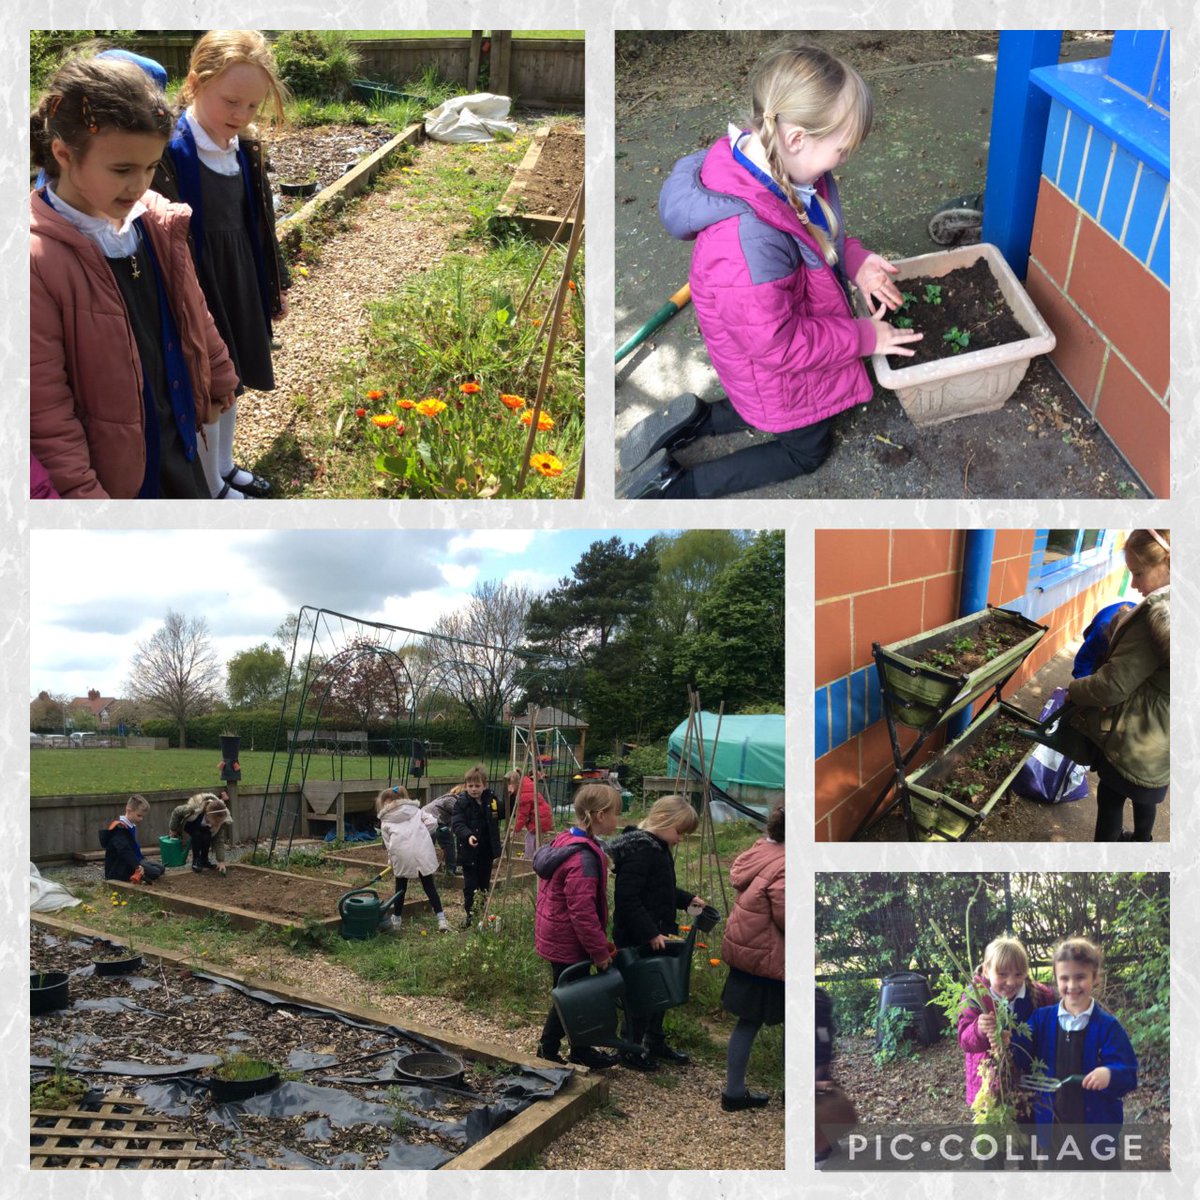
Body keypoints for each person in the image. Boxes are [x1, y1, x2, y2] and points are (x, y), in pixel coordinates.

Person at [624, 44, 921, 499]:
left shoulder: (780, 164)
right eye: (841, 151)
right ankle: (679, 485)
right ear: (798, 137)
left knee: (763, 402)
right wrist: (865, 337)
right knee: (806, 450)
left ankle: (702, 420)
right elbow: (778, 347)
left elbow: (815, 232)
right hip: (777, 364)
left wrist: (856, 261)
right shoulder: (749, 240)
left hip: (762, 360)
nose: (843, 162)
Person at [30, 54, 239, 498]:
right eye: (122, 170)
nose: (139, 185)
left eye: (150, 168)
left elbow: (193, 310)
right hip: (115, 474)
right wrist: (81, 493)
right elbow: (45, 408)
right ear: (64, 153)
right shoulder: (35, 261)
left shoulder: (155, 223)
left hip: (177, 438)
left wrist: (219, 372)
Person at [152, 29, 290, 499]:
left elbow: (262, 223)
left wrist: (276, 281)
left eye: (253, 106)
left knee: (234, 379)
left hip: (240, 278)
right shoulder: (169, 153)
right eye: (231, 101)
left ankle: (226, 467)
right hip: (199, 287)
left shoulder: (244, 150)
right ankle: (210, 488)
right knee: (208, 390)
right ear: (195, 83)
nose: (241, 115)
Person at [1067, 529, 1170, 842]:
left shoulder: (1155, 614)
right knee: (1145, 794)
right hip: (1164, 736)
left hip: (1137, 737)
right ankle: (1142, 840)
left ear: (1168, 563)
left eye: (1138, 574)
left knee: (1111, 799)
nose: (1135, 585)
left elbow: (1112, 686)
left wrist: (1074, 690)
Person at [608, 795, 704, 1070]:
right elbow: (628, 899)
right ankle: (631, 1047)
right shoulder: (641, 850)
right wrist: (650, 933)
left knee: (659, 989)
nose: (681, 839)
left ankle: (655, 1041)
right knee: (640, 994)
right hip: (637, 938)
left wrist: (686, 900)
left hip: (659, 933)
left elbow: (660, 890)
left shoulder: (658, 847)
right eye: (680, 832)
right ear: (665, 821)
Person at [533, 784, 624, 1069]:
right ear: (599, 815)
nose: (617, 820)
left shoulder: (566, 840)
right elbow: (582, 912)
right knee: (570, 996)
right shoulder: (582, 856)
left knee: (572, 993)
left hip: (556, 932)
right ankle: (549, 1050)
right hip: (568, 939)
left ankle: (577, 1048)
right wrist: (599, 951)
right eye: (615, 814)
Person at [1026, 937, 1137, 1166]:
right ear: (1056, 980)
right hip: (1054, 1131)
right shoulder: (1041, 1020)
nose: (1072, 986)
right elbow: (1019, 1051)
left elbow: (1128, 1074)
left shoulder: (1108, 1027)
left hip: (1096, 1134)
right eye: (1064, 978)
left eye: (1080, 977)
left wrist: (1110, 1073)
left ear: (1094, 977)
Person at [720, 803, 784, 1111]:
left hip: (749, 953)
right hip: (771, 959)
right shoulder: (788, 863)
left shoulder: (761, 851)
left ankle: (733, 1092)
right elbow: (788, 916)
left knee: (747, 1023)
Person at [957, 935, 1055, 1113]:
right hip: (988, 1086)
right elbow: (965, 1040)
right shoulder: (976, 997)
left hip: (1027, 1081)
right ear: (986, 971)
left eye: (1018, 974)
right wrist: (979, 1029)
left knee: (1027, 1129)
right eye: (1002, 974)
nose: (1011, 982)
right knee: (994, 1134)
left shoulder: (1041, 996)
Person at [377, 786, 451, 933]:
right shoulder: (417, 812)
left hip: (401, 856)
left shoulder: (385, 821)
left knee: (400, 889)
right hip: (421, 852)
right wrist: (422, 835)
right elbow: (433, 823)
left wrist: (391, 861)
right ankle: (441, 919)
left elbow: (389, 845)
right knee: (429, 886)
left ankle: (397, 921)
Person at [449, 765, 502, 927]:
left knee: (484, 884)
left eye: (477, 786)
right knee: (471, 885)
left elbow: (503, 811)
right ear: (465, 786)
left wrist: (512, 796)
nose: (474, 789)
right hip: (469, 852)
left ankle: (481, 912)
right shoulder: (461, 803)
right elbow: (457, 823)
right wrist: (468, 835)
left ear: (484, 785)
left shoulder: (491, 801)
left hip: (486, 852)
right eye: (470, 786)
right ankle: (470, 915)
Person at [100, 795, 164, 883]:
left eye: (142, 816)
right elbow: (124, 851)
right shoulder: (119, 828)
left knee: (161, 868)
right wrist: (137, 866)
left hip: (137, 859)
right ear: (129, 810)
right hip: (122, 866)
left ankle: (143, 871)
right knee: (155, 872)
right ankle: (138, 876)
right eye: (139, 815)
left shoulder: (130, 825)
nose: (141, 819)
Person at [183, 795, 231, 873]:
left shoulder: (219, 822)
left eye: (219, 823)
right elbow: (177, 812)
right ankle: (196, 860)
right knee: (197, 834)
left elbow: (219, 841)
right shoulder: (196, 811)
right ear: (208, 815)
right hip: (192, 826)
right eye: (215, 822)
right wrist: (173, 829)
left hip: (206, 830)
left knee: (206, 836)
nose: (217, 824)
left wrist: (221, 861)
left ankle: (204, 860)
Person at [514, 769, 554, 860]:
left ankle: (528, 857)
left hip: (539, 819)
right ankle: (538, 855)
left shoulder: (524, 795)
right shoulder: (528, 786)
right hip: (543, 817)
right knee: (537, 839)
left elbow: (522, 815)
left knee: (529, 837)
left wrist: (516, 829)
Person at [421, 790, 459, 875]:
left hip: (425, 822)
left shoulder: (442, 799)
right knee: (448, 841)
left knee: (428, 845)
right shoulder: (452, 799)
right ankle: (450, 869)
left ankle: (425, 868)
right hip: (434, 822)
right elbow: (458, 814)